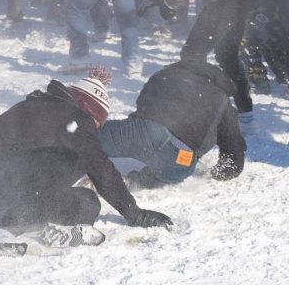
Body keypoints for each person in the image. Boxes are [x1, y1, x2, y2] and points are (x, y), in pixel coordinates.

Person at [0, 67, 175, 253]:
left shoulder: (31, 107)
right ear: (91, 112)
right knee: (81, 174)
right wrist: (134, 214)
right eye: (97, 124)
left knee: (84, 200)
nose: (95, 131)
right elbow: (101, 168)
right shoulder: (75, 120)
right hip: (4, 185)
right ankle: (0, 231)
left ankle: (30, 228)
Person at [99, 55, 248, 188]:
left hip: (145, 130)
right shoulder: (223, 101)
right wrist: (219, 173)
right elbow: (234, 152)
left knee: (87, 137)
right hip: (181, 155)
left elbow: (142, 103)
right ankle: (133, 181)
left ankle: (80, 158)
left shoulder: (166, 74)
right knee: (175, 169)